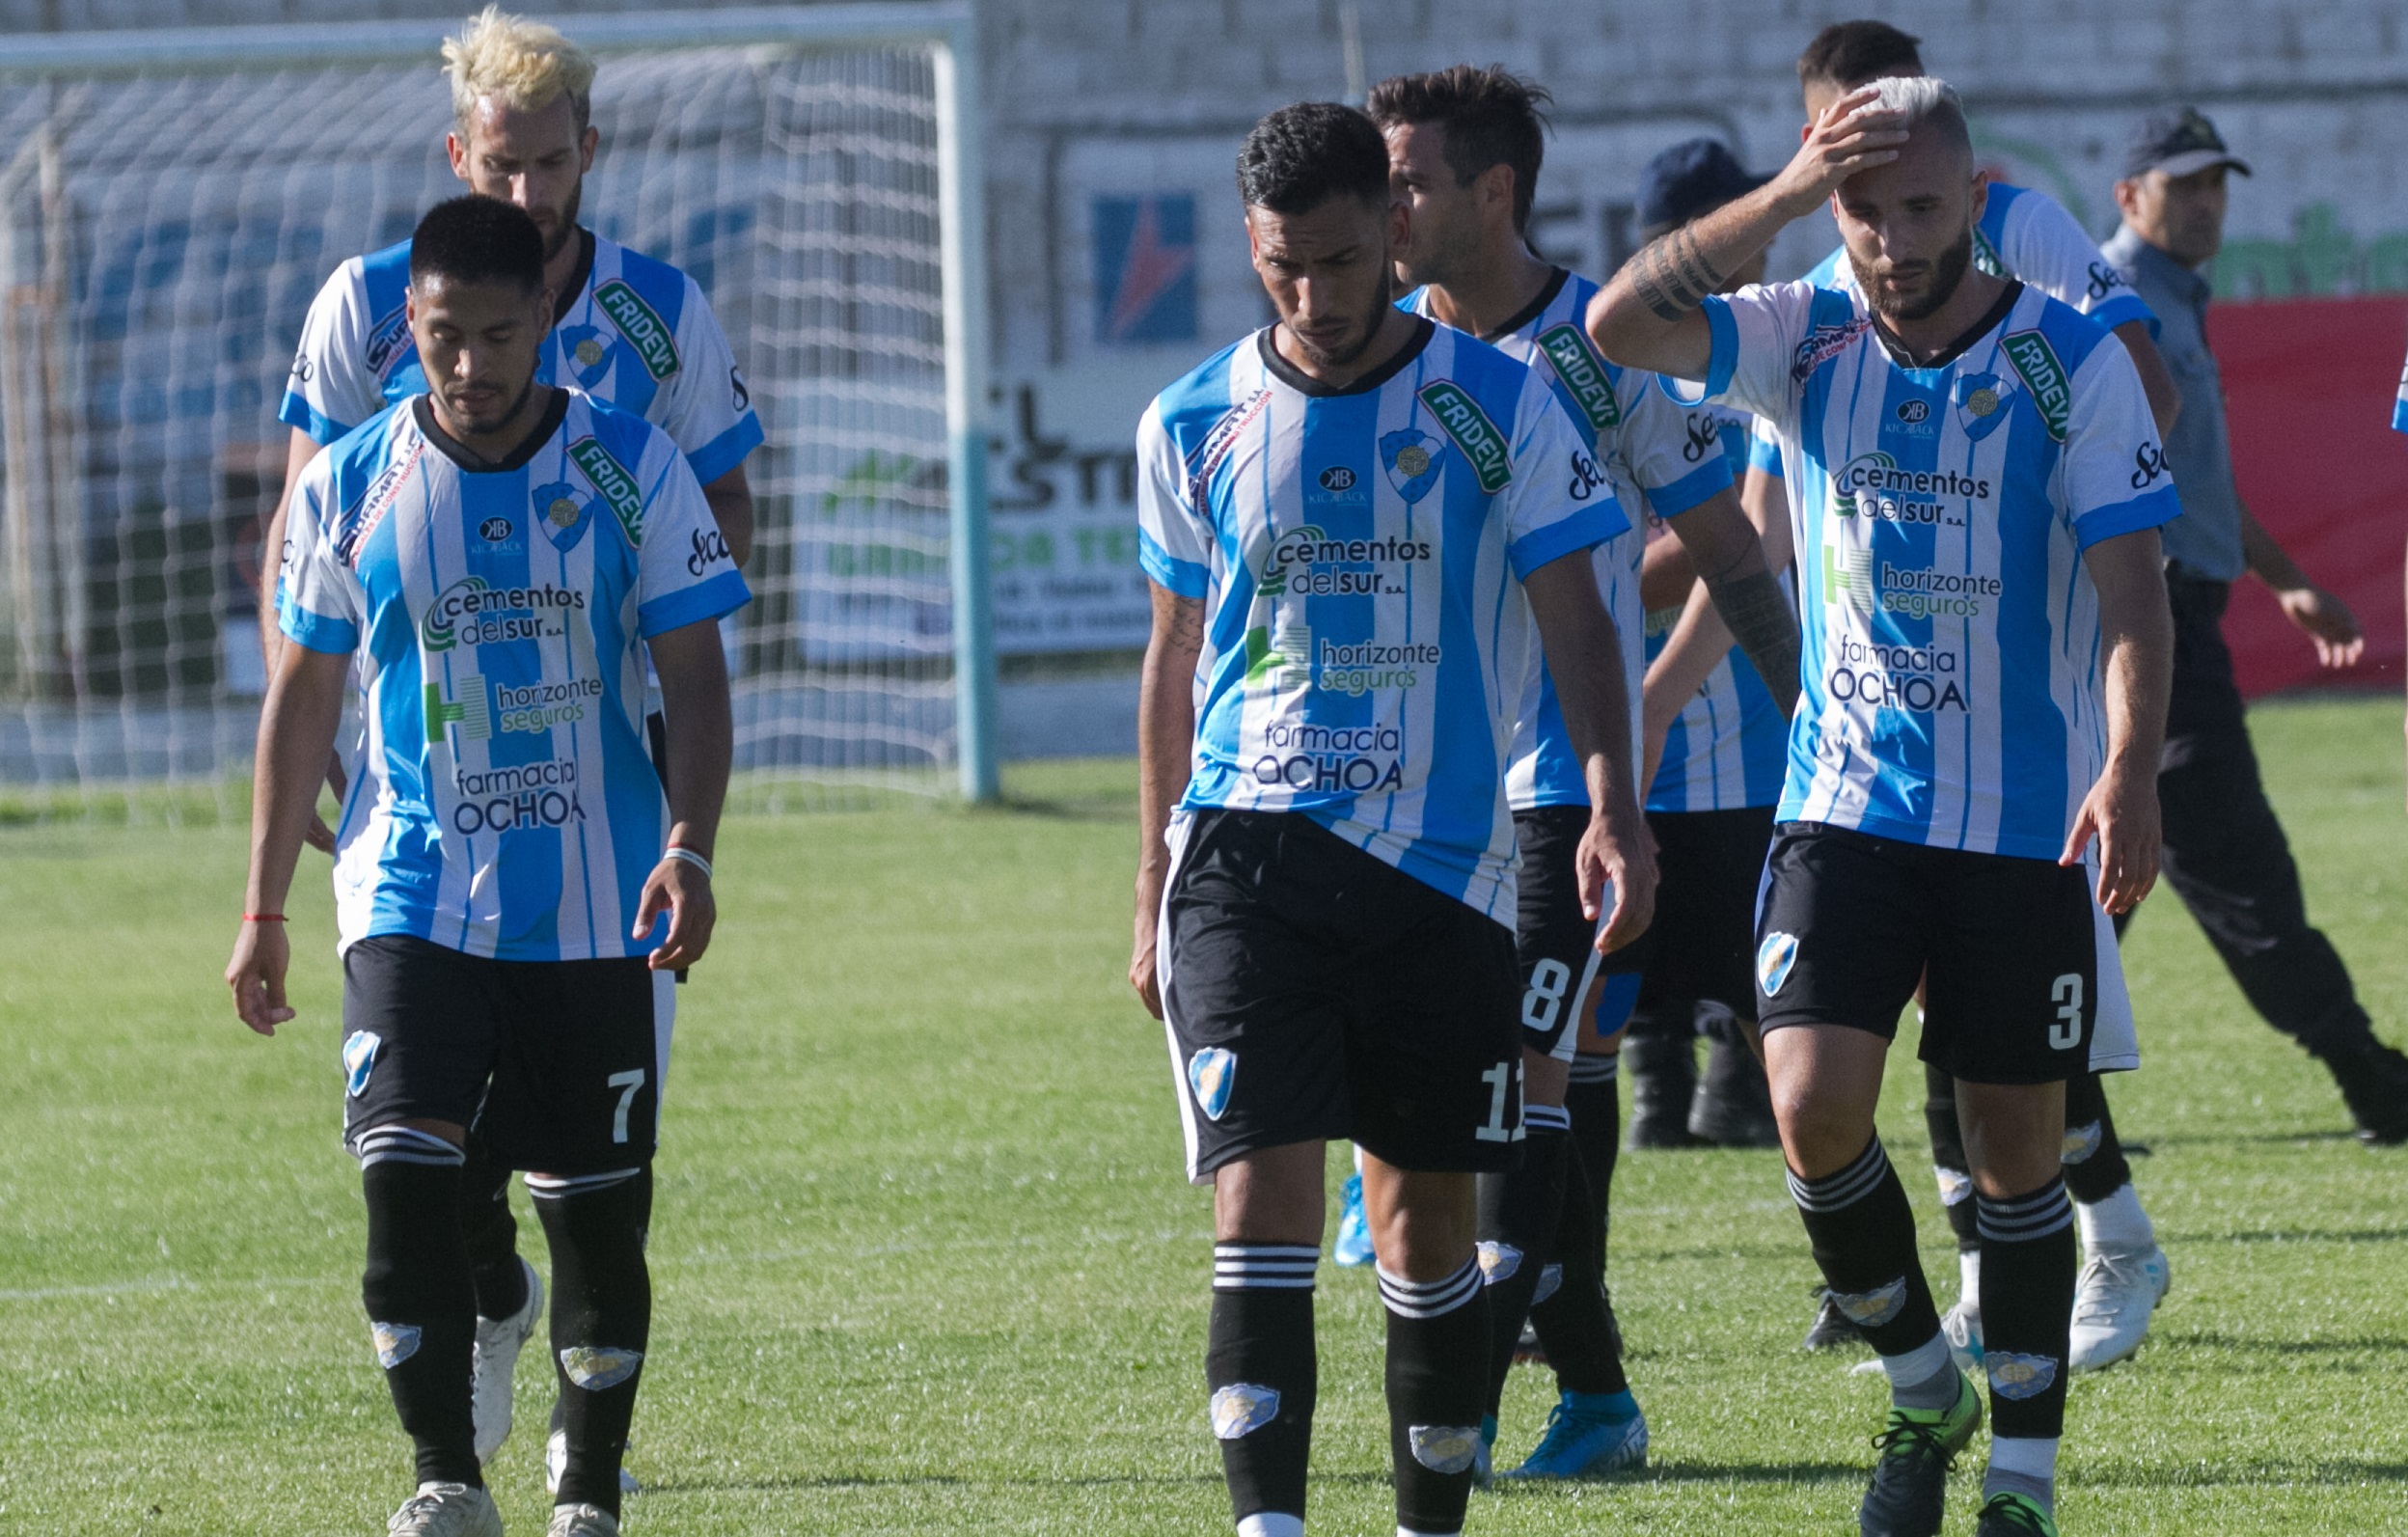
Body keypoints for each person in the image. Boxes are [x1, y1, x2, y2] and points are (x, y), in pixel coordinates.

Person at [1591, 76, 2178, 1537]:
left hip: (2022, 824)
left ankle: (2025, 1481)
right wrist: (1786, 198)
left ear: (1974, 204)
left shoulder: (2068, 361)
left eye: (1921, 207)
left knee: (2013, 1148)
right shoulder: (1803, 330)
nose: (1894, 237)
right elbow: (1619, 328)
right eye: (1865, 208)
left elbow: (2130, 594)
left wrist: (2129, 764)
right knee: (1807, 1108)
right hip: (1842, 807)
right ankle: (1926, 1383)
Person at [1129, 100, 1656, 1537]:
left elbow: (1579, 620)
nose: (1318, 294)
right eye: (1287, 266)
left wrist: (1613, 800)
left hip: (1448, 872)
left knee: (1428, 1231)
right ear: (1252, 245)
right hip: (1245, 857)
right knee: (1260, 1211)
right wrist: (1145, 880)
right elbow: (1177, 659)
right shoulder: (1188, 420)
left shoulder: (1501, 402)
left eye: (1347, 259)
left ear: (1398, 231)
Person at [261, 5, 764, 1487]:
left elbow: (729, 522)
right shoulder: (367, 304)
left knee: (591, 1134)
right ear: (456, 153)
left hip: (607, 775)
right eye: (502, 165)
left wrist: (599, 569)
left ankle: (582, 1398)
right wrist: (304, 741)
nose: (529, 197)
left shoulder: (662, 311)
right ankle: (484, 1306)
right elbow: (315, 525)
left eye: (552, 167)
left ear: (588, 154)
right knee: (419, 1125)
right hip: (417, 774)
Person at [1367, 69, 1802, 1482]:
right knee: (1507, 1098)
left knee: (1531, 1092)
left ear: (1495, 193)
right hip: (1423, 803)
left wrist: (1819, 737)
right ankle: (1600, 1398)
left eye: (1411, 181)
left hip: (1569, 789)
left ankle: (1473, 1411)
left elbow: (1730, 550)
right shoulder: (1370, 350)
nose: (1387, 208)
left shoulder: (1598, 349)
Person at [1784, 17, 2185, 1370]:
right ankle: (1985, 1285)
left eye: (1890, 149)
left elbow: (2147, 397)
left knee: (2016, 1032)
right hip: (1872, 718)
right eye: (1839, 154)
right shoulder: (1826, 277)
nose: (1872, 184)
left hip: (2037, 666)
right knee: (1919, 1040)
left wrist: (2049, 506)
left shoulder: (2027, 226)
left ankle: (2109, 1242)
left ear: (1954, 166)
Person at [2105, 109, 2408, 1147]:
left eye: (2215, 186)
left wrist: (2284, 582)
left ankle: (2045, 1097)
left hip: (2179, 614)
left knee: (2120, 867)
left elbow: (2196, 484)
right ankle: (2370, 1072)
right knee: (2230, 861)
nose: (2204, 204)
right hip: (2142, 629)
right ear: (2129, 195)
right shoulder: (2114, 301)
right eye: (2183, 184)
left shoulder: (2171, 303)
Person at [1622, 139, 1797, 1155]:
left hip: (1744, 692)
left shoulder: (1762, 345)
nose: (1765, 247)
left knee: (1751, 908)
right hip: (1671, 695)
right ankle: (1659, 1083)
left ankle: (1728, 1082)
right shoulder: (1642, 358)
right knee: (1659, 893)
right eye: (1746, 224)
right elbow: (1729, 537)